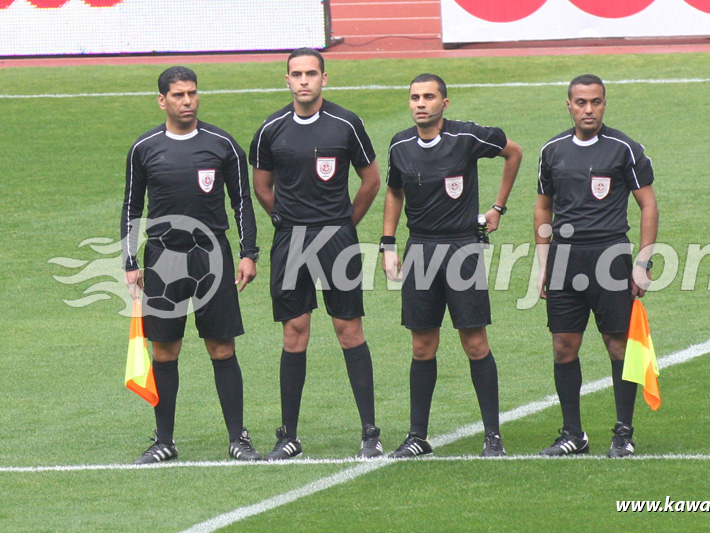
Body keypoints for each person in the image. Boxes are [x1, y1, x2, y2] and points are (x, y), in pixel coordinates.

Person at [121, 66, 262, 463]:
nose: (187, 101)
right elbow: (132, 206)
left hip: (211, 256)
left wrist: (248, 252)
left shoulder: (222, 144)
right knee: (164, 350)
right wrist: (130, 260)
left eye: (193, 94)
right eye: (179, 95)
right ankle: (164, 441)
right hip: (163, 258)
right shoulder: (144, 148)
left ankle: (238, 438)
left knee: (221, 347)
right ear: (162, 100)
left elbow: (241, 203)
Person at [249, 48, 383, 459]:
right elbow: (261, 186)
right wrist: (285, 220)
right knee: (294, 333)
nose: (303, 80)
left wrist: (345, 225)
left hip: (337, 241)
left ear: (325, 78)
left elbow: (371, 180)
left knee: (349, 330)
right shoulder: (271, 128)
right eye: (296, 74)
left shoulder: (346, 124)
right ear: (286, 80)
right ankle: (288, 435)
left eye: (311, 73)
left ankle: (370, 433)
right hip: (290, 241)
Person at [382, 73, 523, 458]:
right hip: (421, 249)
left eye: (428, 97)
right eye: (414, 97)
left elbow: (514, 152)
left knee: (474, 343)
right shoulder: (400, 145)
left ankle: (493, 435)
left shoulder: (467, 137)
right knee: (422, 345)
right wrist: (388, 244)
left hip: (462, 248)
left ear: (445, 103)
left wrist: (497, 208)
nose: (420, 103)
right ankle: (417, 436)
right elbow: (394, 191)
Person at [535, 74, 659, 458]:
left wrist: (642, 262)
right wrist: (543, 264)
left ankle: (623, 432)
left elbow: (648, 205)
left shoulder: (624, 148)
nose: (589, 110)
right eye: (581, 103)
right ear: (568, 105)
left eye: (596, 102)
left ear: (605, 104)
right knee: (563, 347)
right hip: (564, 259)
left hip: (610, 257)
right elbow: (543, 207)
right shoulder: (552, 150)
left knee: (618, 344)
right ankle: (573, 434)